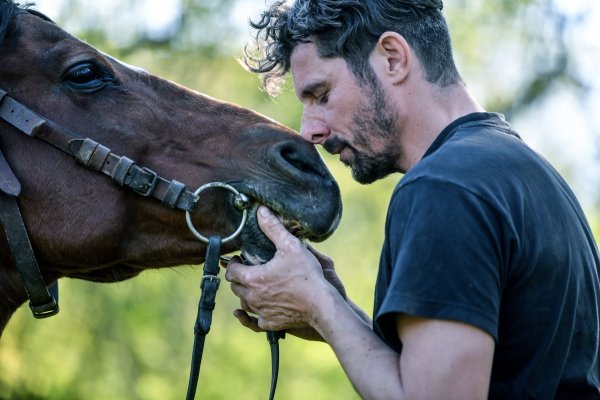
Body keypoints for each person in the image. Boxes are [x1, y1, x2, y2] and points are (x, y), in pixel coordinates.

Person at [224, 1, 600, 398]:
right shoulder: (526, 175)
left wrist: (319, 305)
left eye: (322, 94)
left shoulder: (443, 187)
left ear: (392, 58)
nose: (310, 130)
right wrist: (332, 307)